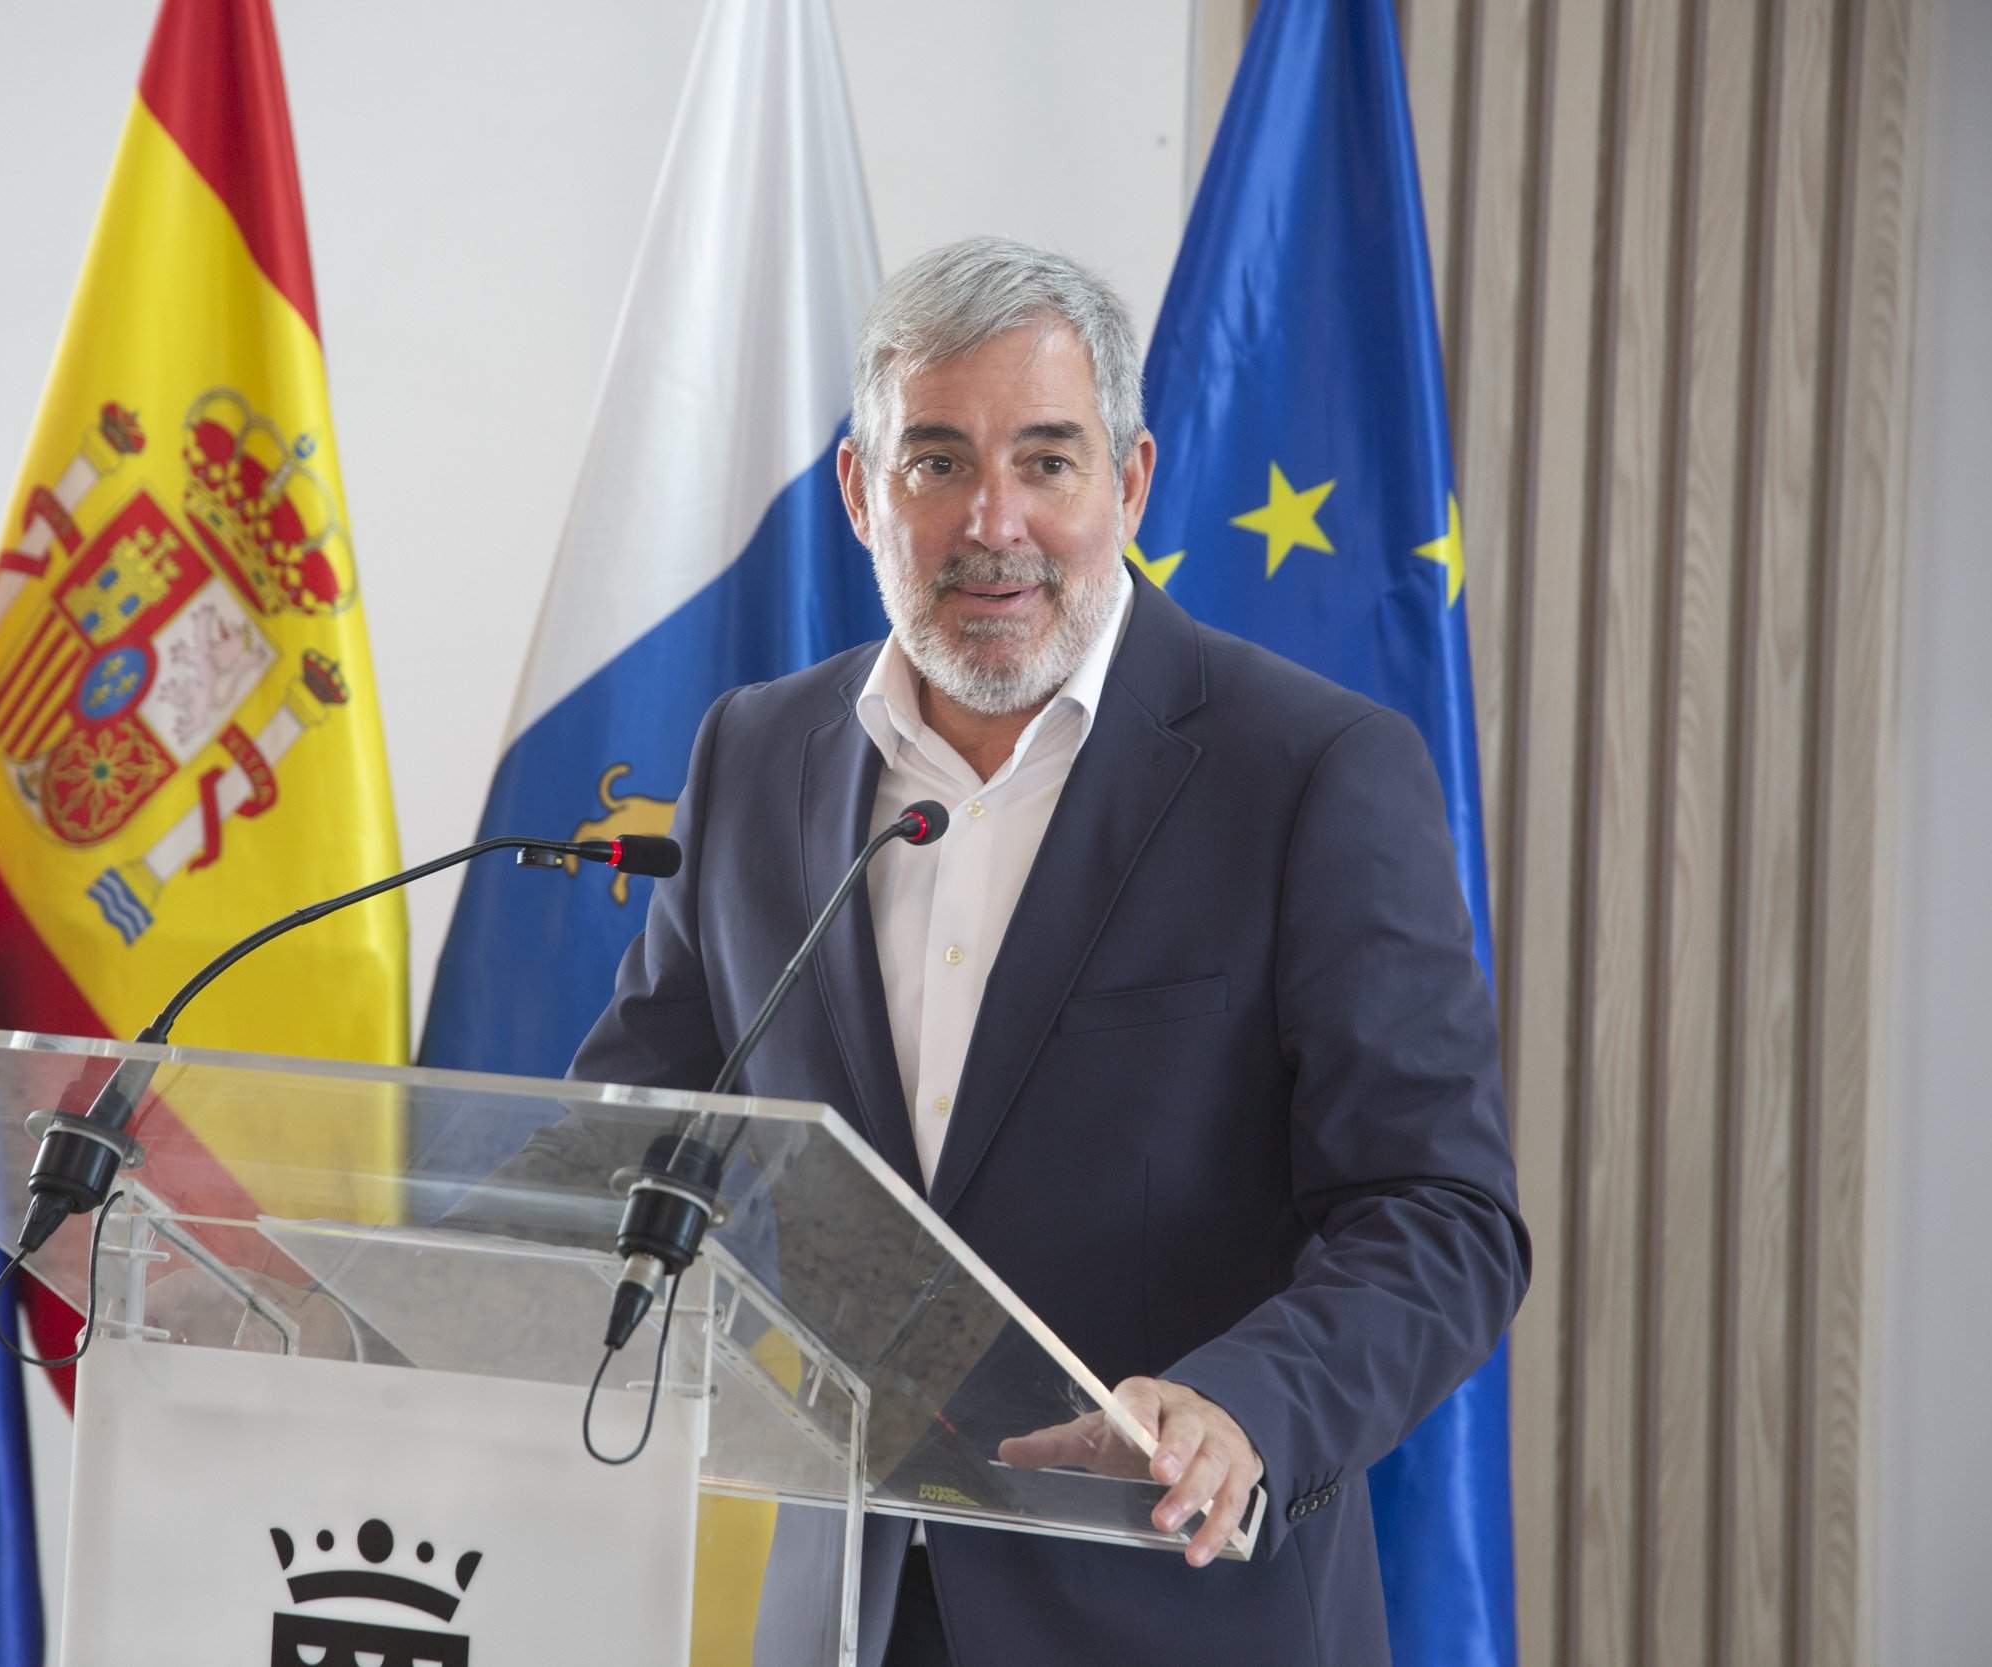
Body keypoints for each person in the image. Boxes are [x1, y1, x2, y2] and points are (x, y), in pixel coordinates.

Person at [570, 237, 1529, 1666]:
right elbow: (638, 1149)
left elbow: (1440, 1214)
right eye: (937, 461)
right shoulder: (756, 756)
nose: (992, 522)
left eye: (1049, 461)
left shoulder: (1308, 771)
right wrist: (296, 1272)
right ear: (860, 492)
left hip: (1173, 1599)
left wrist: (1243, 1406)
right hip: (844, 1614)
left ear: (1131, 483)